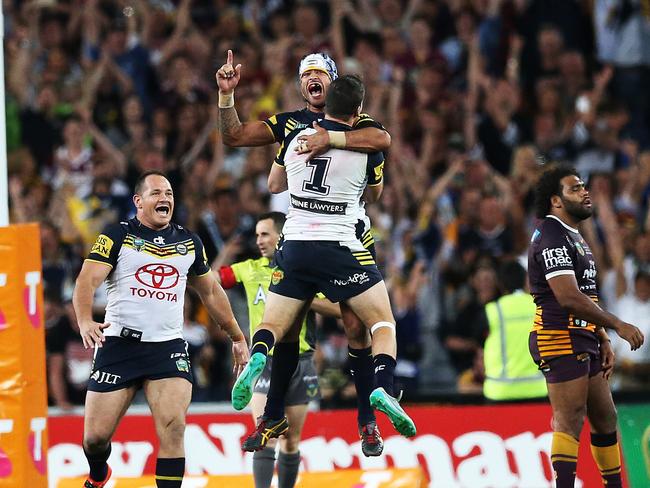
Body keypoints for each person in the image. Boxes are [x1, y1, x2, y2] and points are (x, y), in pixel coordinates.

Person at [231, 75, 416, 453]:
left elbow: (273, 183)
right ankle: (381, 388)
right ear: (358, 110)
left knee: (274, 326)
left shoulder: (294, 137)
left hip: (295, 244)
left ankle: (257, 358)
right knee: (377, 323)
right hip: (342, 243)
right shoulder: (367, 143)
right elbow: (376, 190)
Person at [72, 170, 249, 488]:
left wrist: (237, 336)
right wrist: (85, 320)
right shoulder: (117, 235)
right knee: (95, 440)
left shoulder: (189, 242)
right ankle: (99, 473)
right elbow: (87, 280)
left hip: (166, 348)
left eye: (168, 193)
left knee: (174, 427)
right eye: (156, 193)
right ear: (138, 201)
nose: (165, 198)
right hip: (118, 345)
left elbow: (209, 292)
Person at [528, 165, 644, 488]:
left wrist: (601, 335)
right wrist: (617, 324)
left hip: (583, 336)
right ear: (556, 201)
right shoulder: (551, 235)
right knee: (569, 421)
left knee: (606, 417)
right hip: (559, 335)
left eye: (583, 186)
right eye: (575, 188)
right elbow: (567, 296)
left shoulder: (572, 234)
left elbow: (586, 293)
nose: (585, 191)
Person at [215, 211, 340, 488]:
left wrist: (300, 297)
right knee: (265, 434)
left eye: (265, 234)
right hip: (263, 360)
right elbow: (211, 280)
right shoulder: (249, 268)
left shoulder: (305, 272)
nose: (259, 240)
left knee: (291, 440)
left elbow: (339, 310)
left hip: (300, 359)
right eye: (257, 235)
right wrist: (225, 251)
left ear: (281, 236)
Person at [482, 260, 547, 402]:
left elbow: (477, 343)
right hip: (538, 390)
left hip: (499, 392)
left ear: (500, 284)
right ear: (525, 280)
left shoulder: (492, 310)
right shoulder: (540, 307)